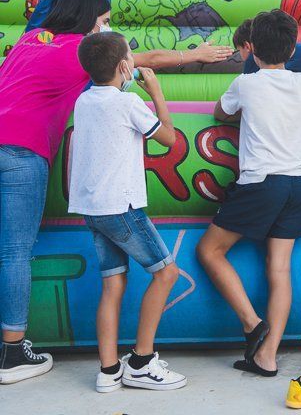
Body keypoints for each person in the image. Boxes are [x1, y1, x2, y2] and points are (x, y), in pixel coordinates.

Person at [0, 0, 230, 384]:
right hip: (24, 149)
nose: (105, 28)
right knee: (15, 251)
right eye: (103, 22)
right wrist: (193, 55)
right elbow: (141, 64)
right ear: (88, 22)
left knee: (106, 278)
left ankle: (109, 369)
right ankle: (12, 351)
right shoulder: (79, 53)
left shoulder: (29, 40)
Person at [196, 10, 301, 377]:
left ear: (252, 50)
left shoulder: (246, 83)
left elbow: (220, 113)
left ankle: (252, 323)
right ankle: (267, 355)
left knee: (208, 251)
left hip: (261, 182)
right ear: (292, 49)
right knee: (279, 269)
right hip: (297, 183)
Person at [69, 32, 186, 392]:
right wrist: (156, 95)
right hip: (122, 206)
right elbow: (169, 138)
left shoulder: (84, 100)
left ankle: (108, 371)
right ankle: (141, 361)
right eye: (132, 57)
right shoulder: (128, 102)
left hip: (92, 208)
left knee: (112, 283)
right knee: (167, 274)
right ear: (124, 66)